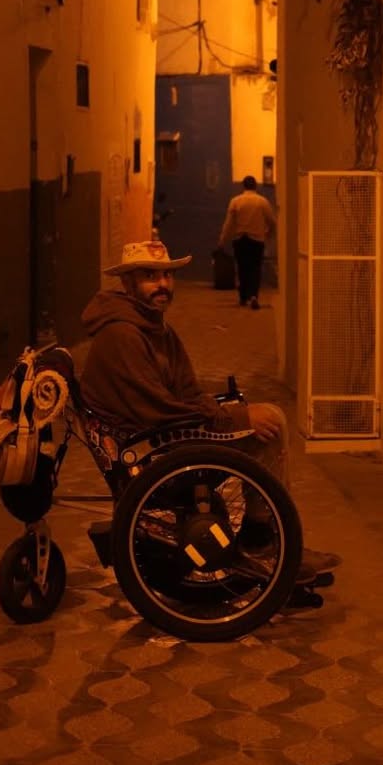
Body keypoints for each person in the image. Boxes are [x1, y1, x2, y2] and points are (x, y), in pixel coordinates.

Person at [80, 239, 338, 579]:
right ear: (128, 283)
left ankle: (271, 540)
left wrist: (227, 412)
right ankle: (262, 543)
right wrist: (234, 419)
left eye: (167, 276)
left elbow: (187, 391)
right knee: (271, 423)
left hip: (161, 436)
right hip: (150, 453)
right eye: (150, 276)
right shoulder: (122, 335)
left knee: (263, 414)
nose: (163, 284)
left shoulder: (155, 327)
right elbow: (157, 409)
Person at [218, 175, 276, 310]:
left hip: (240, 240)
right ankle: (254, 295)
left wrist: (222, 240)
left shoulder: (235, 201)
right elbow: (272, 222)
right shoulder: (262, 202)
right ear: (256, 186)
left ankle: (243, 297)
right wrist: (267, 234)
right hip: (257, 241)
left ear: (243, 186)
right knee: (255, 268)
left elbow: (228, 224)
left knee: (242, 268)